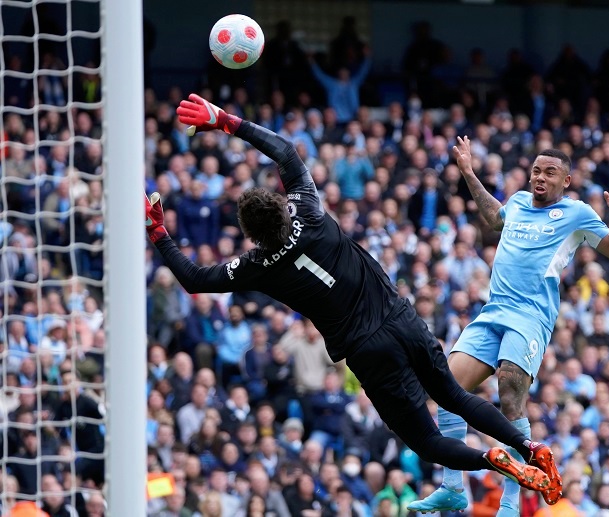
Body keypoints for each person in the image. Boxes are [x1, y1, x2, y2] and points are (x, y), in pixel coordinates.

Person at [146, 93, 562, 505]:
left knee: (428, 441)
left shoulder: (257, 265)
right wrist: (225, 121)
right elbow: (285, 152)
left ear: (251, 234)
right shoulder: (307, 212)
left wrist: (160, 235)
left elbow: (194, 278)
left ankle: (491, 458)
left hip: (367, 350)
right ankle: (529, 448)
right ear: (280, 205)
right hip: (402, 318)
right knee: (455, 396)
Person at [409, 138, 609, 514]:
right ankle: (452, 487)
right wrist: (467, 172)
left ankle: (511, 501)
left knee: (510, 388)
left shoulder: (576, 213)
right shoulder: (516, 203)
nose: (540, 178)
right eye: (536, 171)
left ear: (566, 180)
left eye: (550, 172)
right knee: (445, 385)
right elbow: (494, 215)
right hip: (494, 310)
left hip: (531, 315)